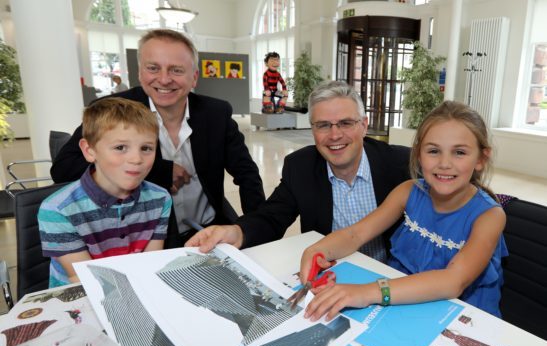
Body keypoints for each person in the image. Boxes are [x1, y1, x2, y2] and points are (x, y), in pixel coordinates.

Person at [50, 29, 265, 247]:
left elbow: (247, 174)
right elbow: (63, 168)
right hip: (146, 241)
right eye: (153, 68)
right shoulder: (113, 109)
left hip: (209, 230)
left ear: (194, 78)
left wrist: (255, 230)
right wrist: (159, 170)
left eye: (176, 70)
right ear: (140, 73)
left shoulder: (216, 112)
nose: (164, 79)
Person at [299, 100, 508, 320]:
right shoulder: (409, 190)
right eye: (434, 151)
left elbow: (453, 281)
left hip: (461, 318)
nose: (445, 163)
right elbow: (356, 234)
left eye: (459, 152)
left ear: (481, 159)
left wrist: (366, 292)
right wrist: (316, 250)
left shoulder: (490, 216)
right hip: (402, 304)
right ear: (418, 154)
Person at [187, 81, 411, 263]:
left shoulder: (400, 164)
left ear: (364, 125)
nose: (334, 135)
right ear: (312, 129)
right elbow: (272, 217)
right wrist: (238, 231)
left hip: (390, 276)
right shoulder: (300, 166)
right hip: (330, 277)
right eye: (323, 125)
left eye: (345, 123)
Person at [39, 97, 172, 287]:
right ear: (89, 150)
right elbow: (83, 279)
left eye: (146, 148)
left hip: (136, 288)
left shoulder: (161, 198)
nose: (136, 159)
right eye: (120, 147)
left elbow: (150, 264)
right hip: (82, 296)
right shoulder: (57, 210)